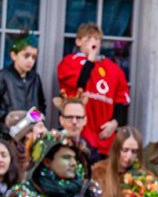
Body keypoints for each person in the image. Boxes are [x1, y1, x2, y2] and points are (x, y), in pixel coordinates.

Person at [55, 23, 130, 159]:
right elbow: (80, 83)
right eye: (88, 38)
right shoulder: (69, 62)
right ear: (78, 41)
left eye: (96, 39)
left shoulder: (113, 68)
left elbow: (121, 101)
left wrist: (115, 123)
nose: (93, 42)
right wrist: (90, 59)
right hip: (80, 135)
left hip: (105, 139)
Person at [0, 36, 47, 129]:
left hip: (31, 131)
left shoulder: (35, 77)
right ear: (13, 55)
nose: (30, 61)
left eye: (34, 57)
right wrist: (6, 116)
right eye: (26, 56)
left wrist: (36, 119)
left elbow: (41, 104)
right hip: (10, 131)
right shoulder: (3, 76)